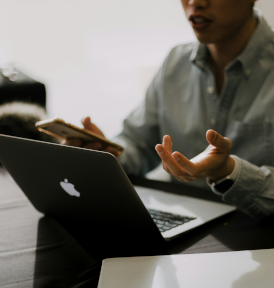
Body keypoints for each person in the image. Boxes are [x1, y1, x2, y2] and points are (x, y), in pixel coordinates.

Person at [65, 0, 274, 220]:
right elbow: (139, 143)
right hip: (186, 225)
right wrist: (107, 153)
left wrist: (228, 172)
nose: (195, 2)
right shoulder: (176, 63)